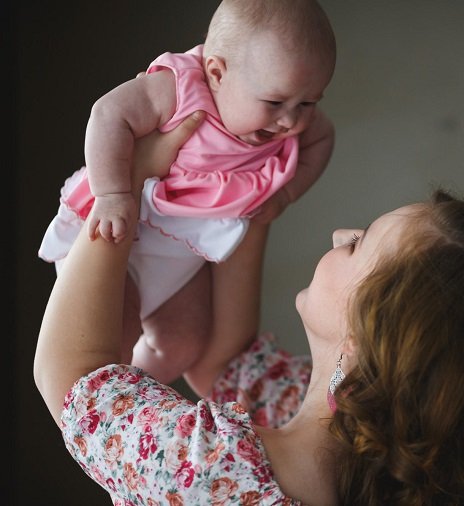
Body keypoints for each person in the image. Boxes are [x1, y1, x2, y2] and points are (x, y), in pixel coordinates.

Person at [34, 115, 464, 504]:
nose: (339, 233)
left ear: (362, 338)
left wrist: (128, 181)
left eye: (358, 244)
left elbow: (75, 374)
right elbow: (228, 363)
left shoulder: (211, 471)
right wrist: (256, 201)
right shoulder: (359, 446)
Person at [37, 0, 337, 390]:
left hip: (183, 250)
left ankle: (138, 407)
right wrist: (112, 194)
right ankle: (104, 404)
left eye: (308, 103)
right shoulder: (180, 90)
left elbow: (323, 139)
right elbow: (108, 115)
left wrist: (286, 195)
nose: (291, 121)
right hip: (125, 227)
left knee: (183, 342)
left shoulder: (296, 126)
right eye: (275, 102)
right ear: (217, 73)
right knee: (117, 335)